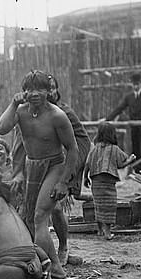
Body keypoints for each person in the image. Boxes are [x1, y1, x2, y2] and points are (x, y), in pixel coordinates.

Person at [0, 70, 78, 279]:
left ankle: (53, 265)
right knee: (31, 220)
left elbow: (73, 149)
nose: (35, 94)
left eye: (40, 89)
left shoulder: (57, 116)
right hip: (31, 166)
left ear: (48, 91)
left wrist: (63, 182)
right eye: (30, 89)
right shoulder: (21, 111)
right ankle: (56, 267)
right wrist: (13, 104)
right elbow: (1, 129)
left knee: (40, 216)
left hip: (54, 166)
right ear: (23, 92)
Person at [46, 74, 92, 265]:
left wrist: (71, 170)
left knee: (56, 208)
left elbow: (83, 141)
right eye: (45, 88)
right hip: (43, 162)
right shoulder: (33, 112)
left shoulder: (64, 112)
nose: (50, 92)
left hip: (65, 161)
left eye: (52, 87)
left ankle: (63, 246)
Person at [83, 122, 136, 240]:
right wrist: (130, 160)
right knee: (109, 206)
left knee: (98, 205)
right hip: (108, 183)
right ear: (113, 134)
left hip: (95, 181)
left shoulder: (94, 148)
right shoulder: (114, 149)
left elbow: (87, 164)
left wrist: (85, 177)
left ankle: (99, 230)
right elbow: (121, 164)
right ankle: (107, 232)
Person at [104, 73, 141, 172]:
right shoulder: (129, 97)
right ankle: (137, 171)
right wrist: (108, 119)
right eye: (134, 84)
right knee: (136, 149)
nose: (136, 86)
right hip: (134, 128)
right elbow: (119, 108)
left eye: (137, 84)